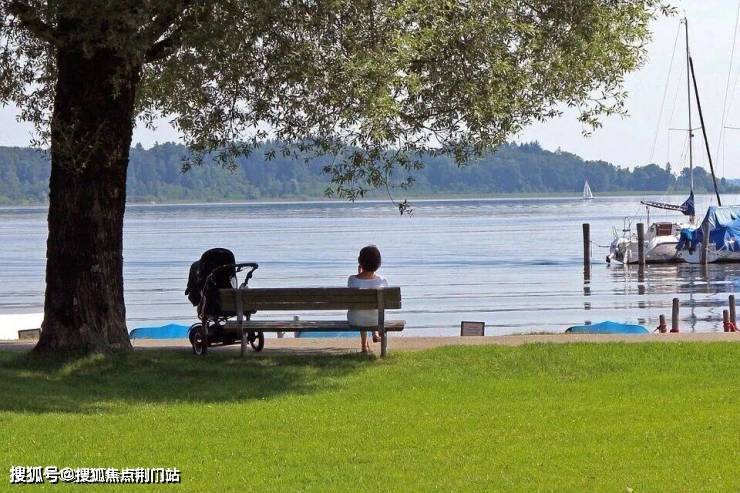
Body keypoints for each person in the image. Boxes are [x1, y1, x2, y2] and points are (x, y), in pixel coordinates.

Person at [347, 245, 388, 353]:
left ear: (360, 262)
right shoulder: (382, 281)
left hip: (355, 320)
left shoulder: (352, 280)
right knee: (371, 311)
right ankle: (375, 337)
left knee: (360, 311)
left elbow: (359, 282)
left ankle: (364, 345)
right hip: (377, 320)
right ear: (378, 264)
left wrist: (359, 273)